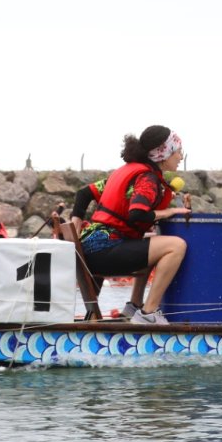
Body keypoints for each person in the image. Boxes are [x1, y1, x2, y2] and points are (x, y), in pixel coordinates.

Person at [78, 126, 190, 324]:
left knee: (154, 241)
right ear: (163, 153)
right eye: (178, 151)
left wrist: (75, 224)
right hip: (104, 251)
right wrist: (168, 212)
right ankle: (148, 314)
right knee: (176, 246)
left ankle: (134, 307)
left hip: (90, 249)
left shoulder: (128, 171)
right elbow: (137, 214)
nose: (181, 156)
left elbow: (83, 194)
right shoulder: (147, 178)